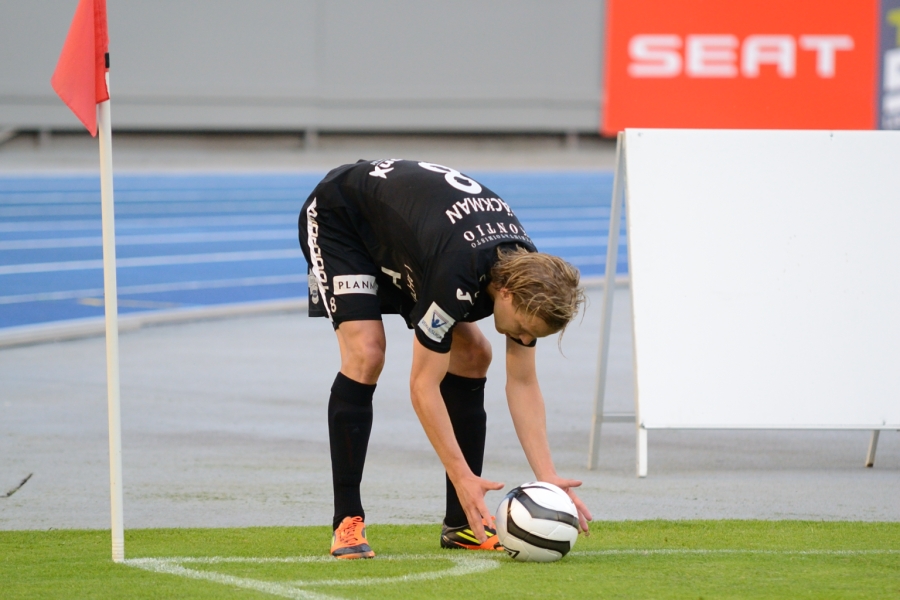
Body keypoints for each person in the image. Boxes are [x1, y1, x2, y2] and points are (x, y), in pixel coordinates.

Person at [298, 159, 592, 559]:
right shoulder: (459, 275)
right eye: (525, 329)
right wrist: (462, 473)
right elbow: (423, 386)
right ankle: (347, 521)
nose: (524, 339)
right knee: (367, 353)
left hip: (414, 244)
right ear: (504, 293)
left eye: (532, 337)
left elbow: (522, 381)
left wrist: (548, 476)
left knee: (474, 354)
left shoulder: (529, 273)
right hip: (344, 219)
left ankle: (462, 526)